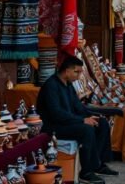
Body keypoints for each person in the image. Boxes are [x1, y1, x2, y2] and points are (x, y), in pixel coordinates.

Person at [37, 55, 116, 184]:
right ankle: (86, 172)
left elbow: (78, 107)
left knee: (101, 123)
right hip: (54, 126)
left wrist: (91, 115)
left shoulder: (68, 85)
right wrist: (82, 120)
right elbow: (56, 114)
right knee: (86, 129)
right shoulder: (51, 85)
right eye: (76, 72)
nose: (79, 76)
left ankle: (99, 164)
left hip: (68, 121)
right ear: (67, 71)